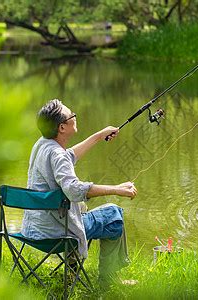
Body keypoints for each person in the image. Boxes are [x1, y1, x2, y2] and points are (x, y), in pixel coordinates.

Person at [20, 99, 137, 284]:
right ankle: (108, 279)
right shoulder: (57, 154)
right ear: (62, 127)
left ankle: (73, 267)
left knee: (81, 207)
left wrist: (99, 135)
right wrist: (117, 190)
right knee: (114, 215)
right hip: (57, 232)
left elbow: (68, 157)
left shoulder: (42, 145)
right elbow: (74, 190)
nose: (75, 117)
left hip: (35, 228)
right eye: (71, 116)